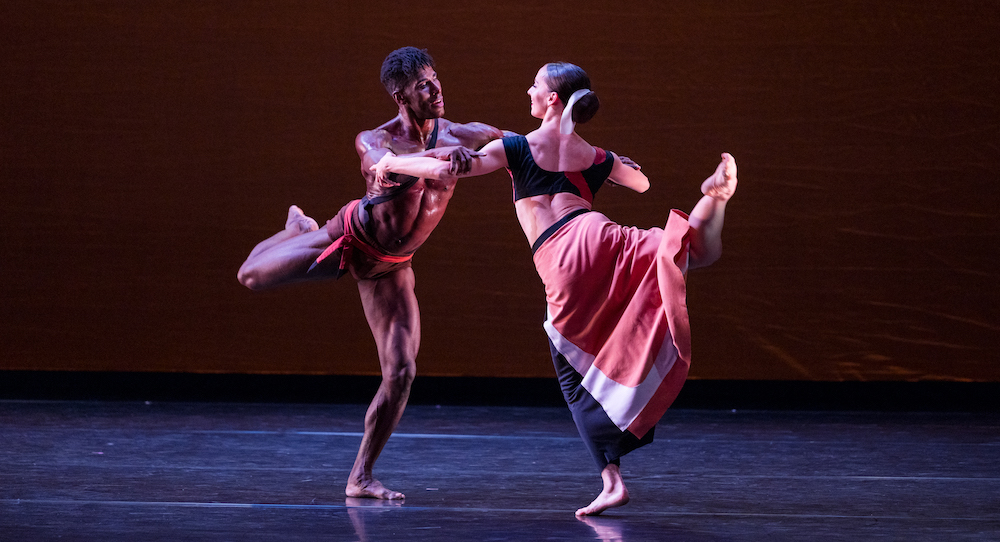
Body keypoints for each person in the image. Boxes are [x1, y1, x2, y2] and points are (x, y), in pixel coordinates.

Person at [371, 61, 738, 515]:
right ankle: (713, 199)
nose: (527, 89)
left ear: (551, 101)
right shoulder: (595, 156)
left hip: (561, 257)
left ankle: (611, 479)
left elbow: (448, 171)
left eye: (535, 85)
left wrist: (391, 162)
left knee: (571, 373)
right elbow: (642, 185)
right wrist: (616, 164)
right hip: (600, 235)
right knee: (687, 252)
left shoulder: (516, 146)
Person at [237, 47, 504, 500]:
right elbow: (386, 164)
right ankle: (296, 230)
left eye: (435, 77)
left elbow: (529, 148)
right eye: (423, 84)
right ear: (400, 95)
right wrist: (440, 157)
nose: (436, 88)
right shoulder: (374, 140)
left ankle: (360, 477)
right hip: (350, 242)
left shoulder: (463, 132)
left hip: (393, 267)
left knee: (401, 372)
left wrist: (598, 162)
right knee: (249, 276)